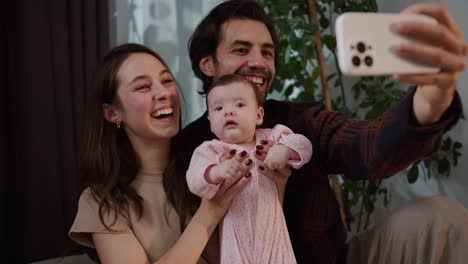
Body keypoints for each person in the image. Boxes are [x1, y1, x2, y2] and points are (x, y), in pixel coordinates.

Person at [174, 0, 468, 263]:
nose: (259, 62)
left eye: (267, 52)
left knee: (442, 218)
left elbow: (367, 149)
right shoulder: (190, 148)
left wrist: (431, 101)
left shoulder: (298, 120)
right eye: (241, 49)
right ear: (207, 64)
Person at [68, 43, 253, 263]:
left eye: (166, 81)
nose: (163, 92)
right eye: (143, 87)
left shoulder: (210, 169)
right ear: (112, 113)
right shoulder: (101, 201)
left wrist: (276, 187)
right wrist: (210, 213)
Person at [186, 74, 312, 263]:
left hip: (274, 233)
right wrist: (216, 171)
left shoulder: (272, 136)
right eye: (219, 108)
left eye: (239, 105)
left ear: (259, 115)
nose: (228, 112)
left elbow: (304, 146)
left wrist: (284, 150)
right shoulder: (212, 150)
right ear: (210, 122)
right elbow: (194, 180)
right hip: (235, 236)